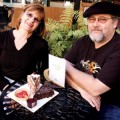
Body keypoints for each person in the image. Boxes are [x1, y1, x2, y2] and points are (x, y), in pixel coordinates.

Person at [65, 2, 120, 120]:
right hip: (80, 95)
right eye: (91, 19)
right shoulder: (82, 42)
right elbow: (61, 72)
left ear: (115, 23)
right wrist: (81, 90)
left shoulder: (118, 48)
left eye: (102, 19)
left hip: (110, 104)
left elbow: (95, 89)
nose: (95, 24)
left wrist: (67, 67)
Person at [0, 3, 48, 118]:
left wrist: (26, 91)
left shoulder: (40, 45)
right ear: (22, 15)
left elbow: (44, 70)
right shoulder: (2, 37)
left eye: (36, 19)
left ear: (39, 24)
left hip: (22, 87)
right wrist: (5, 87)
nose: (31, 20)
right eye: (29, 15)